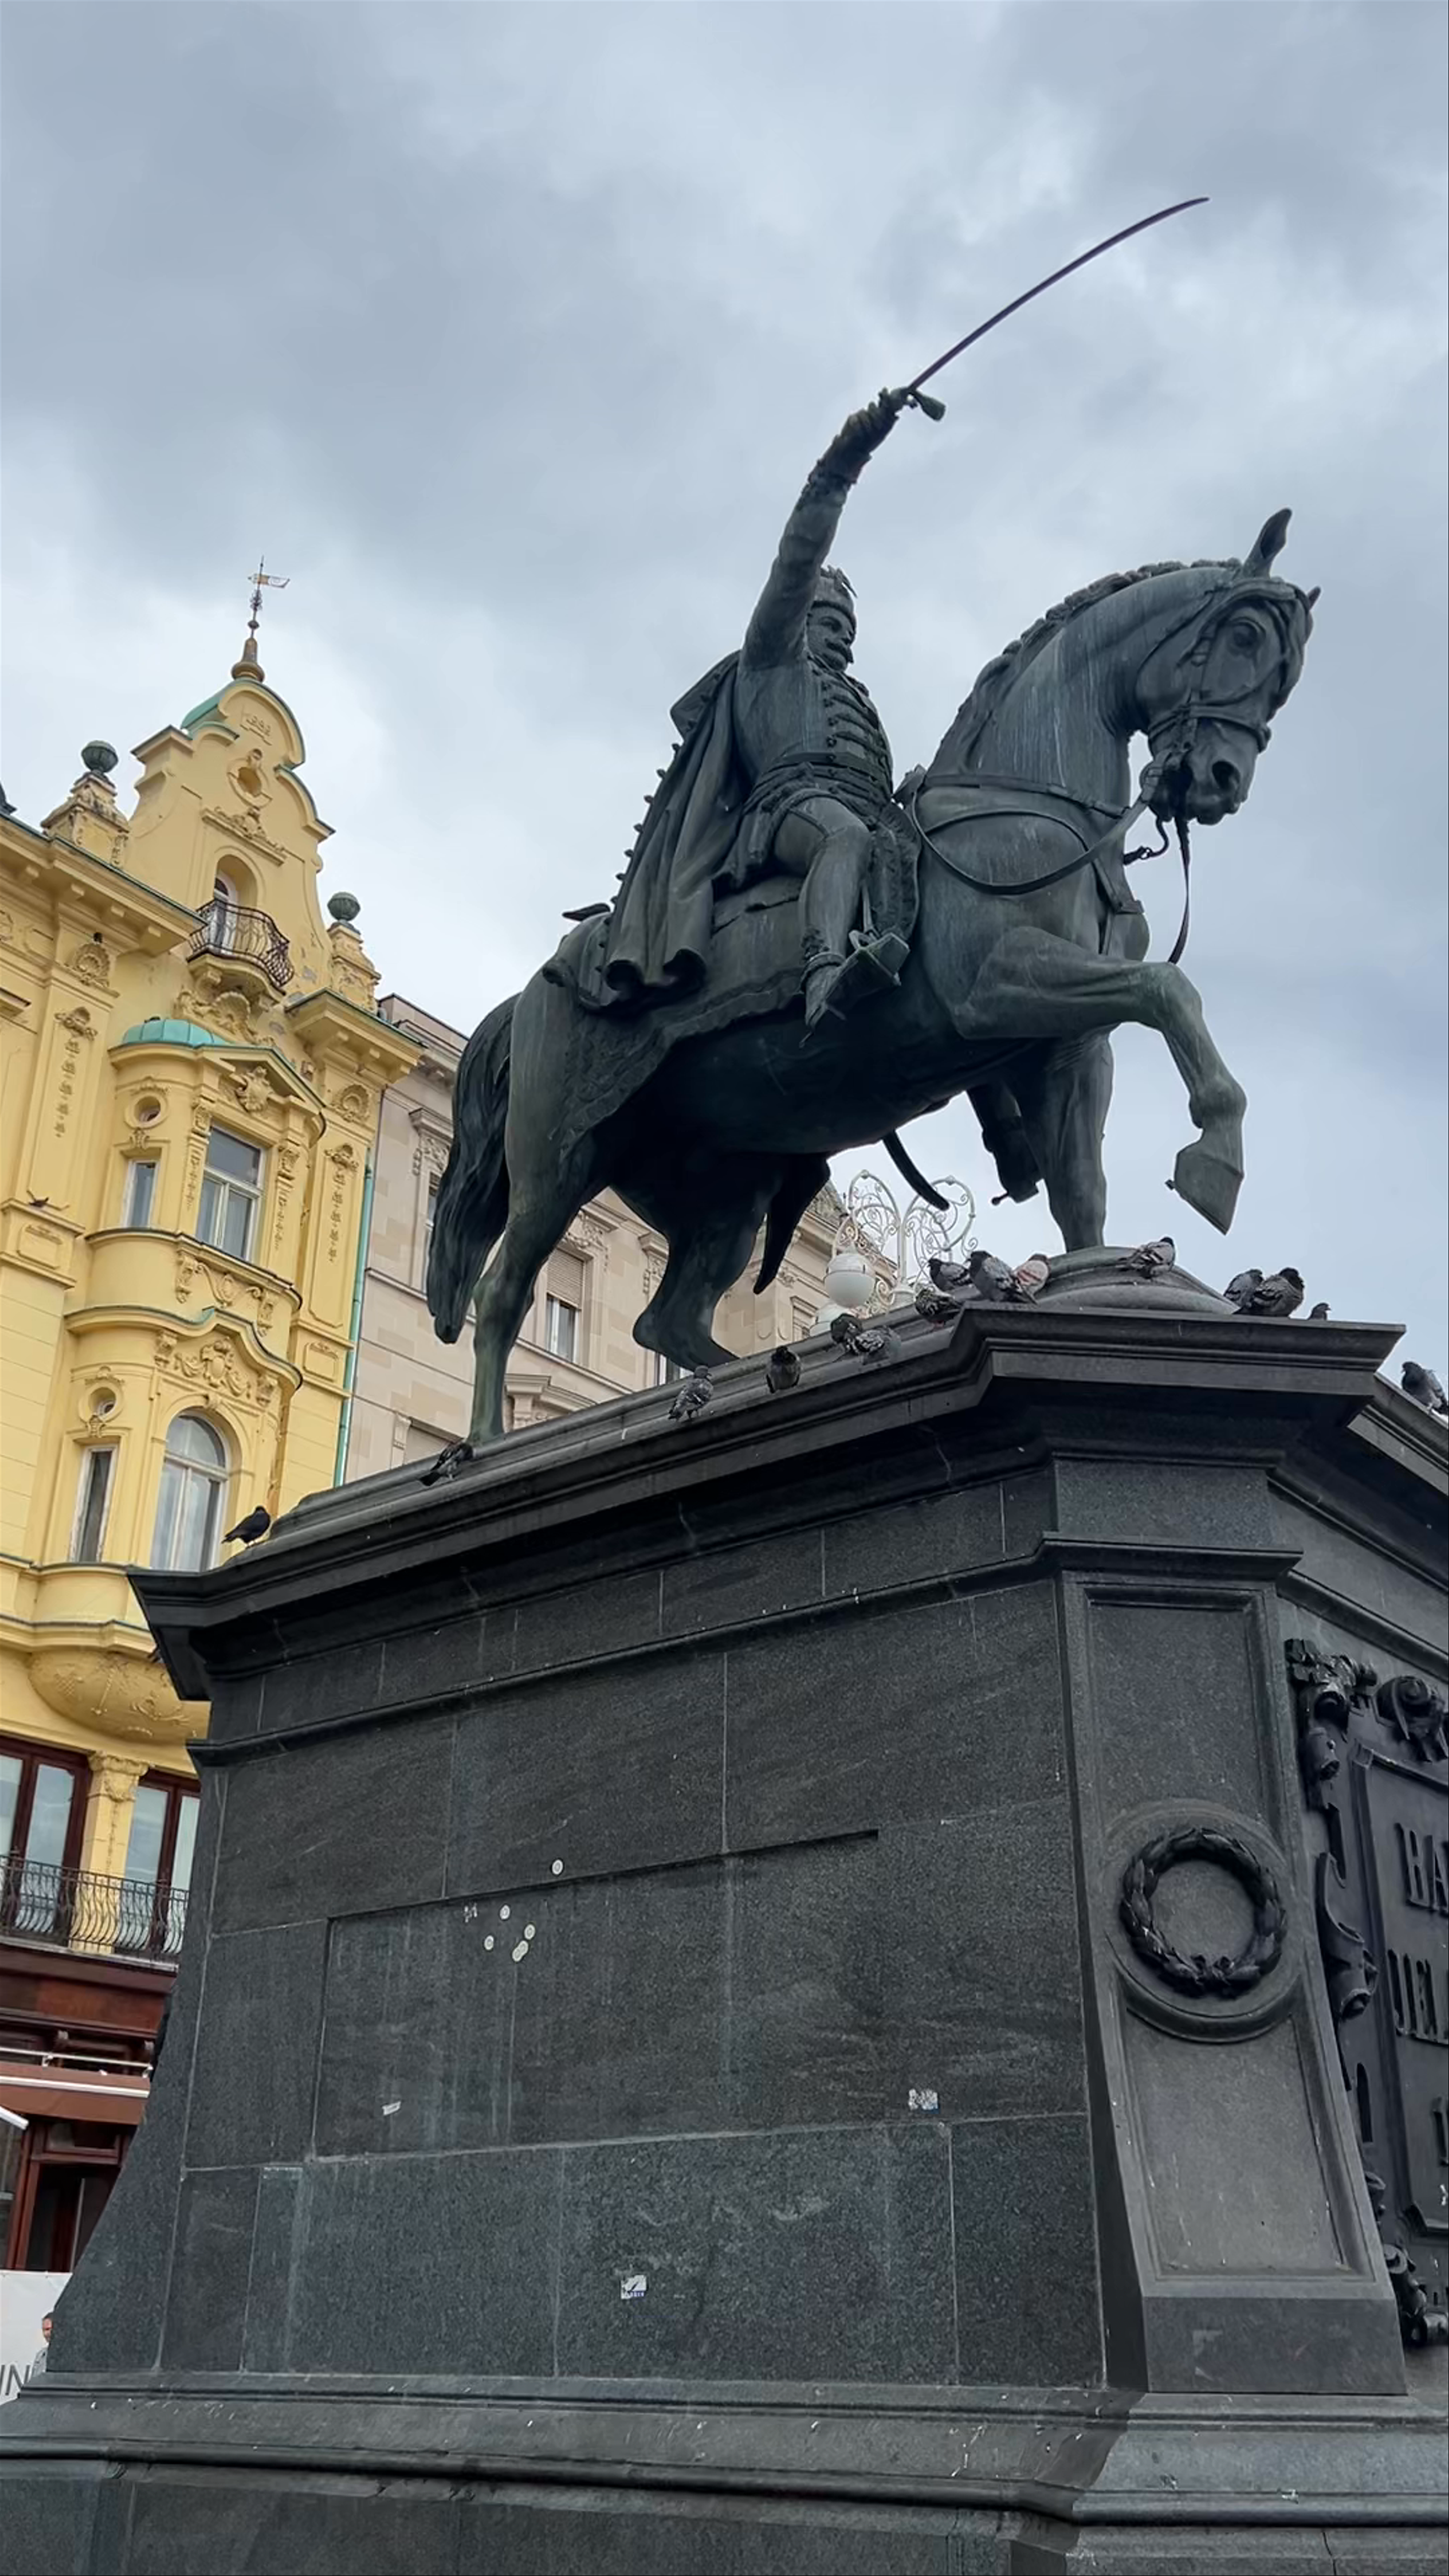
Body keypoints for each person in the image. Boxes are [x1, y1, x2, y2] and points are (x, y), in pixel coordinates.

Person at [595, 389, 915, 1033]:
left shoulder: (857, 694)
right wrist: (842, 466)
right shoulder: (772, 661)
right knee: (843, 837)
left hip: (872, 809)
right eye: (828, 621)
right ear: (799, 621)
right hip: (786, 811)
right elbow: (796, 560)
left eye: (849, 628)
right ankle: (824, 966)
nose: (843, 638)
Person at [27, 2312, 52, 2381]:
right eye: (45, 2330)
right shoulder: (40, 2356)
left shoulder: (68, 2355)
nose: (47, 2334)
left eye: (49, 2329)